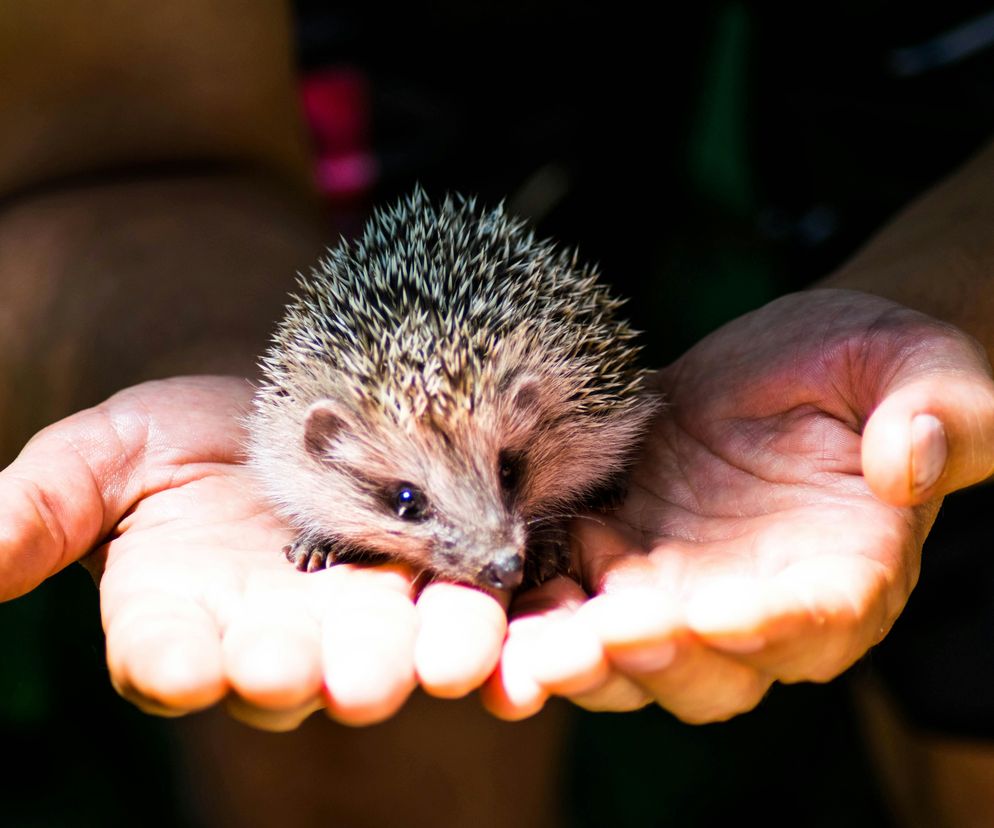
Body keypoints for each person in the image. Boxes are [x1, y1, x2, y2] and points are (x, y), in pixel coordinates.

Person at [4, 2, 994, 825]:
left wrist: (956, 290)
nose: (494, 547)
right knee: (356, 738)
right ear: (320, 450)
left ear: (536, 413)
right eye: (405, 500)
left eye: (511, 476)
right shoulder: (305, 446)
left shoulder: (562, 408)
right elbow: (120, 142)